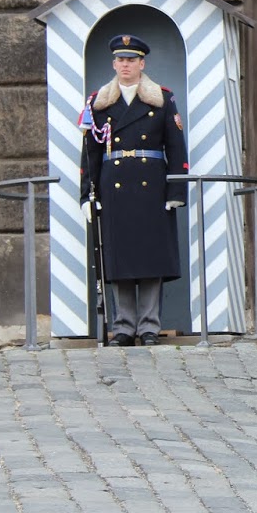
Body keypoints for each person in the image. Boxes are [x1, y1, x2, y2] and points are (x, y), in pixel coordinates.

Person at [78, 34, 190, 346]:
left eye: (131, 60)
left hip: (151, 187)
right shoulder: (99, 102)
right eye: (120, 60)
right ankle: (124, 327)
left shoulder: (162, 99)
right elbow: (90, 154)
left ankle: (150, 326)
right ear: (114, 64)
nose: (125, 65)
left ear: (142, 64)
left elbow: (176, 148)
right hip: (114, 189)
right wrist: (87, 194)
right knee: (119, 259)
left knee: (151, 258)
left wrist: (176, 191)